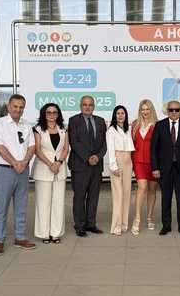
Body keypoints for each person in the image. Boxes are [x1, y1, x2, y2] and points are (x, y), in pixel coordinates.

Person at [0, 94, 36, 254]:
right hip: (5, 170)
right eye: (15, 106)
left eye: (21, 107)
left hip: (23, 170)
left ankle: (20, 237)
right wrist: (14, 162)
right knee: (1, 207)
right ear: (9, 107)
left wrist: (24, 162)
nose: (18, 109)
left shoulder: (27, 125)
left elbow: (32, 146)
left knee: (21, 206)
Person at [151, 100, 180, 236]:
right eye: (171, 110)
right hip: (164, 169)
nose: (174, 112)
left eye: (177, 110)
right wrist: (155, 168)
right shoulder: (159, 125)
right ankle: (166, 226)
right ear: (167, 111)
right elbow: (153, 149)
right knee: (166, 198)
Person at [68, 95, 107, 237]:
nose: (87, 107)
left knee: (93, 196)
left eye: (90, 104)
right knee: (79, 197)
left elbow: (104, 143)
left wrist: (97, 156)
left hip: (96, 165)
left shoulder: (100, 121)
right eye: (85, 104)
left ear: (94, 106)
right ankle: (79, 226)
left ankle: (91, 224)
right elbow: (74, 142)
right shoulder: (74, 121)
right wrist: (87, 157)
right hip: (80, 165)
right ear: (80, 106)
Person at [32, 103, 69, 244]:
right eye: (49, 112)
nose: (52, 115)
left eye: (55, 112)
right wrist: (50, 164)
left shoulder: (63, 129)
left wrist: (58, 163)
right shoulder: (38, 129)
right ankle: (44, 233)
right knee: (43, 203)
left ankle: (56, 233)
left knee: (58, 202)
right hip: (43, 169)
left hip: (60, 169)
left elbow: (65, 149)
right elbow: (37, 150)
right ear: (44, 114)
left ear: (58, 114)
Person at [130, 99, 159, 235]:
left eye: (147, 109)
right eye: (143, 109)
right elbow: (131, 143)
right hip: (138, 161)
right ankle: (137, 219)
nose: (145, 112)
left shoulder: (157, 125)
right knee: (142, 187)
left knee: (152, 190)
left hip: (153, 163)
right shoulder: (135, 124)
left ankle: (149, 218)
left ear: (151, 110)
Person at [106, 105, 135, 235]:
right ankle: (116, 226)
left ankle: (124, 224)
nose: (120, 115)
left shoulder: (128, 129)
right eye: (118, 113)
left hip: (128, 162)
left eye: (122, 113)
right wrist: (113, 166)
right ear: (114, 115)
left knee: (127, 194)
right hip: (117, 161)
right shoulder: (111, 130)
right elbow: (110, 149)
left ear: (125, 115)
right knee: (118, 195)